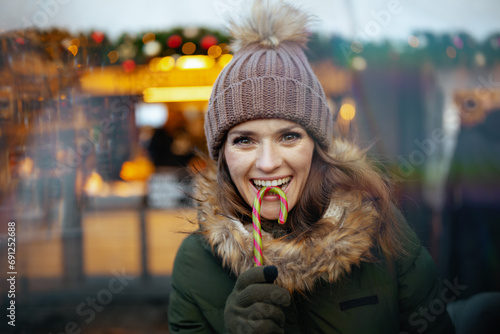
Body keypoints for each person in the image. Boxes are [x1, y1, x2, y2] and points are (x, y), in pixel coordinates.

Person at [168, 1, 455, 333]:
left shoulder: (383, 230)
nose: (268, 163)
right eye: (244, 140)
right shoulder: (195, 263)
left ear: (318, 148)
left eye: (289, 136)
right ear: (221, 155)